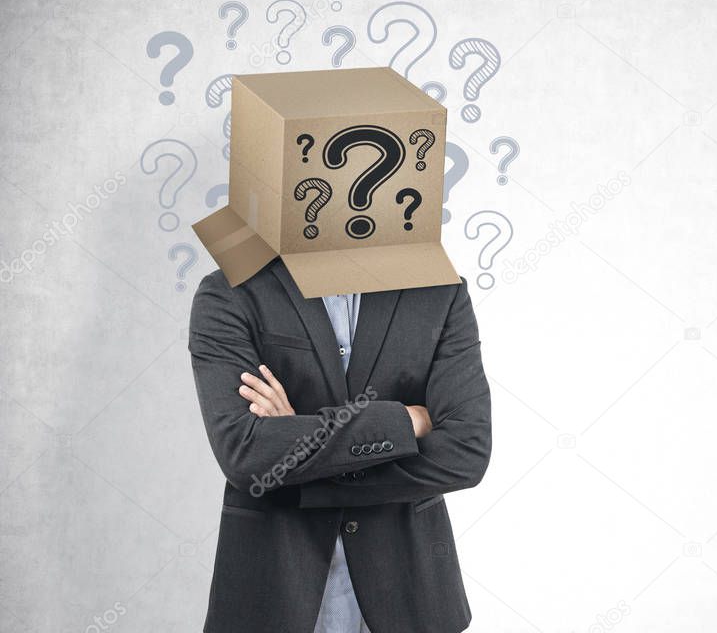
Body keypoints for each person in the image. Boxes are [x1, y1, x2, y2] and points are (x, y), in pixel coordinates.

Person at [188, 258, 491, 633]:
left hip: (410, 595)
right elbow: (245, 454)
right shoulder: (230, 292)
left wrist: (297, 450)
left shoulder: (440, 290)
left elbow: (466, 453)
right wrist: (406, 422)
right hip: (274, 592)